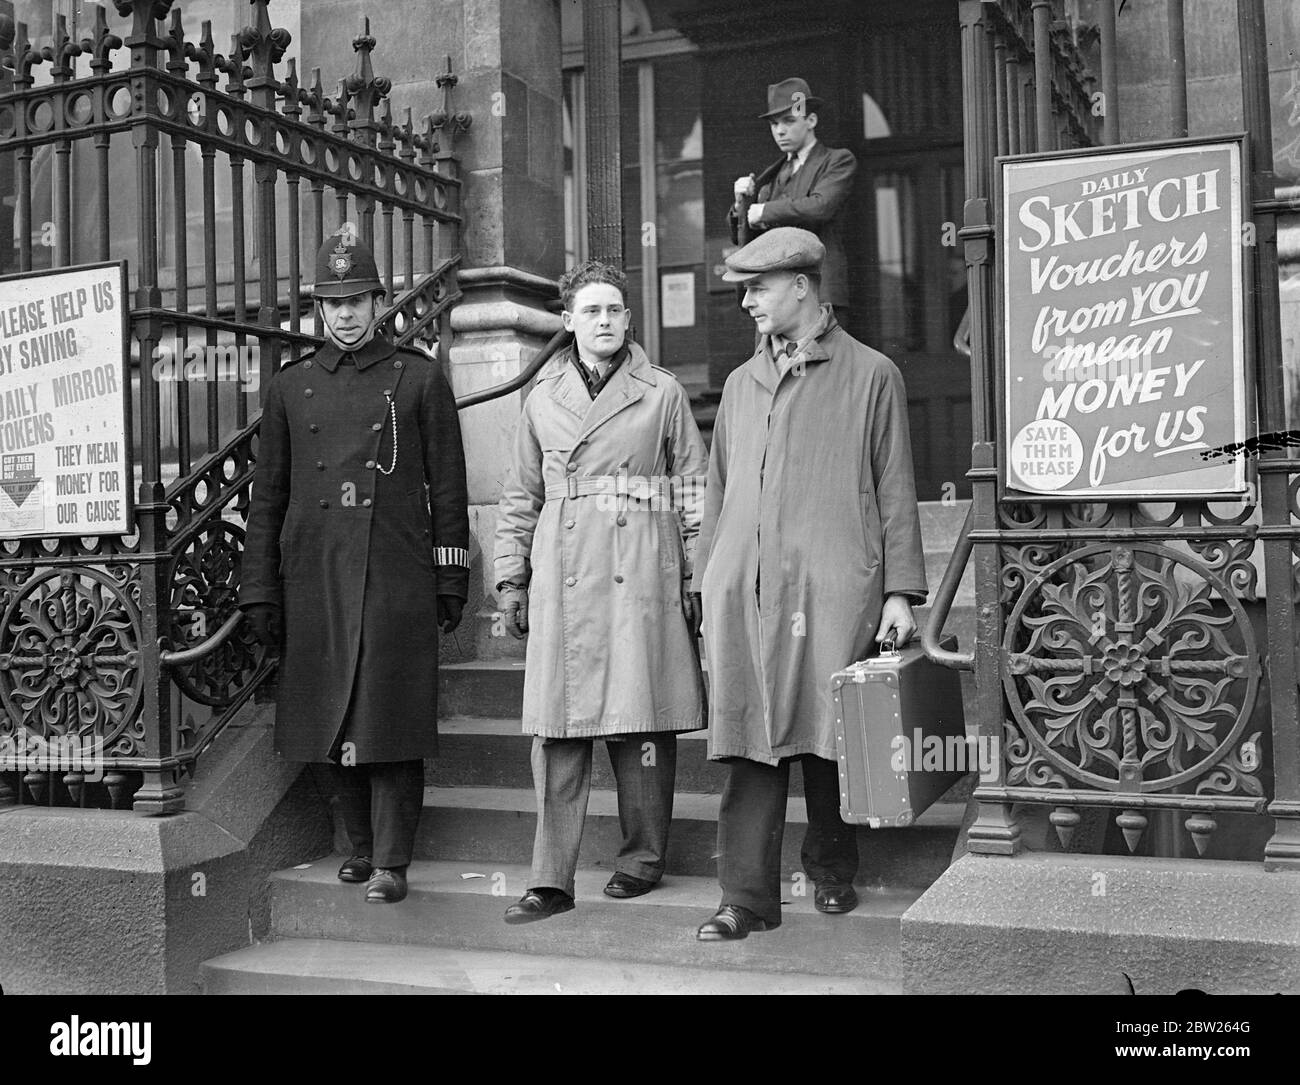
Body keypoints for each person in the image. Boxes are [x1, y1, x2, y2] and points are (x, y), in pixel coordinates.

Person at [691, 227, 927, 940]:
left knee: (827, 735)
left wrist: (899, 592)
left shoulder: (872, 373)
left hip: (834, 584)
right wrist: (709, 581)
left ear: (802, 284)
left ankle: (831, 868)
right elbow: (720, 489)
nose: (747, 302)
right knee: (749, 738)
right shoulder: (739, 383)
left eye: (758, 287)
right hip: (748, 590)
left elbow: (895, 489)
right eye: (743, 289)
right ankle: (746, 898)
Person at [240, 230, 470, 905]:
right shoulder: (291, 387)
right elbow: (268, 495)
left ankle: (393, 859)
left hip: (392, 572)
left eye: (356, 300)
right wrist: (259, 585)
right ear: (318, 310)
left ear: (379, 301)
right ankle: (358, 845)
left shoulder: (419, 377)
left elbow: (449, 487)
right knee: (323, 715)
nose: (344, 314)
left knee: (388, 714)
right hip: (312, 570)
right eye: (332, 303)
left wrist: (450, 574)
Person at [494, 259, 708, 924]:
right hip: (564, 569)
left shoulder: (663, 391)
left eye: (615, 309)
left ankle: (641, 858)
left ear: (629, 317)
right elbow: (519, 496)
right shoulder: (541, 399)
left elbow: (696, 491)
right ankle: (550, 877)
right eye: (592, 310)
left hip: (643, 561)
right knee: (558, 725)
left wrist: (699, 573)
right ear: (568, 321)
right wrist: (510, 576)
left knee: (639, 717)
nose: (606, 321)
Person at [730, 77, 858, 320]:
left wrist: (764, 211)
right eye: (774, 124)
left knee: (824, 357)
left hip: (820, 293)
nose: (780, 130)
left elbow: (821, 206)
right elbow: (744, 238)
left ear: (811, 120)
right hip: (777, 298)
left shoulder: (837, 161)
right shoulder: (771, 176)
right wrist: (740, 206)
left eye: (789, 121)